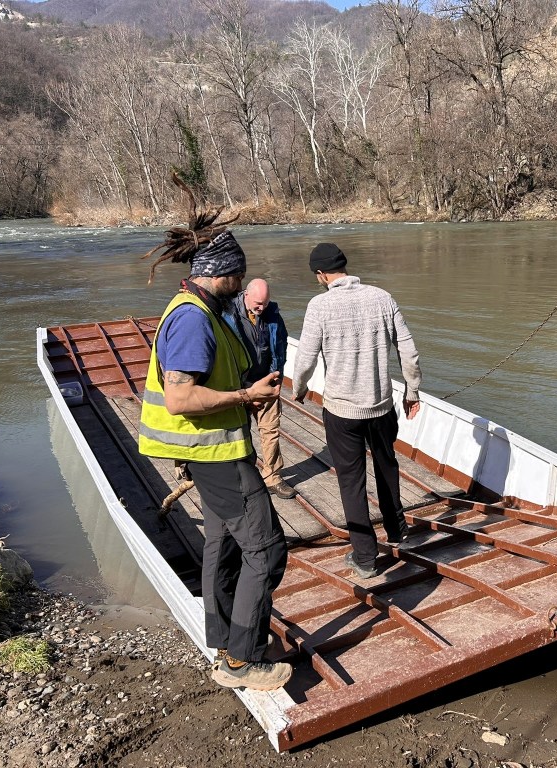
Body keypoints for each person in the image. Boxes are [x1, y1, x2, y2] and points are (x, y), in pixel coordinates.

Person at [138, 213, 291, 692]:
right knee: (266, 551)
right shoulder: (191, 318)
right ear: (218, 272)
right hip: (215, 457)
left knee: (222, 548)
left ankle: (225, 642)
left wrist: (247, 385)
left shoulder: (204, 311)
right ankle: (243, 662)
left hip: (213, 455)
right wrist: (247, 398)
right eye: (238, 274)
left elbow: (211, 379)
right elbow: (182, 398)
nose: (241, 282)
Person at [291, 242, 422, 579]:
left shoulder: (319, 306)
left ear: (321, 275)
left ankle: (365, 557)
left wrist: (300, 388)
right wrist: (412, 392)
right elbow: (409, 352)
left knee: (351, 481)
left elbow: (305, 358)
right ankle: (397, 530)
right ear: (344, 266)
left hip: (342, 411)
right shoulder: (383, 297)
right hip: (380, 406)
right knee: (386, 465)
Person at [224, 278, 296, 499]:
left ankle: (273, 477)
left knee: (270, 432)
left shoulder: (273, 315)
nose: (261, 308)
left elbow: (280, 347)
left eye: (265, 303)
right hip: (240, 386)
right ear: (245, 294)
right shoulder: (227, 314)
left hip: (267, 383)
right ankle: (244, 480)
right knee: (239, 434)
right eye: (257, 303)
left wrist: (276, 377)